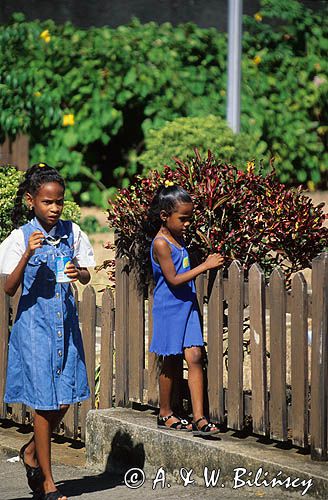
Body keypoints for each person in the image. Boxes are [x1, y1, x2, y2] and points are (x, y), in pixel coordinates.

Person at [0, 163, 95, 500]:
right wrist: (28, 253)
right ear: (31, 201)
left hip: (65, 327)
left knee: (67, 396)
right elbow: (10, 288)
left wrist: (78, 271)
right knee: (43, 404)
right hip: (35, 330)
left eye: (59, 202)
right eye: (46, 202)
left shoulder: (73, 232)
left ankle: (30, 451)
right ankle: (48, 483)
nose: (54, 209)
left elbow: (85, 276)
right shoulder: (20, 237)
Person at [148, 184, 224, 436]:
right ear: (164, 216)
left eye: (190, 218)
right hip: (169, 308)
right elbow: (174, 279)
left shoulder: (178, 238)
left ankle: (199, 417)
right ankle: (165, 412)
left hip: (187, 306)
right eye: (183, 218)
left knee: (194, 357)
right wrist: (205, 265)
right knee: (170, 361)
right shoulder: (161, 243)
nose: (188, 223)